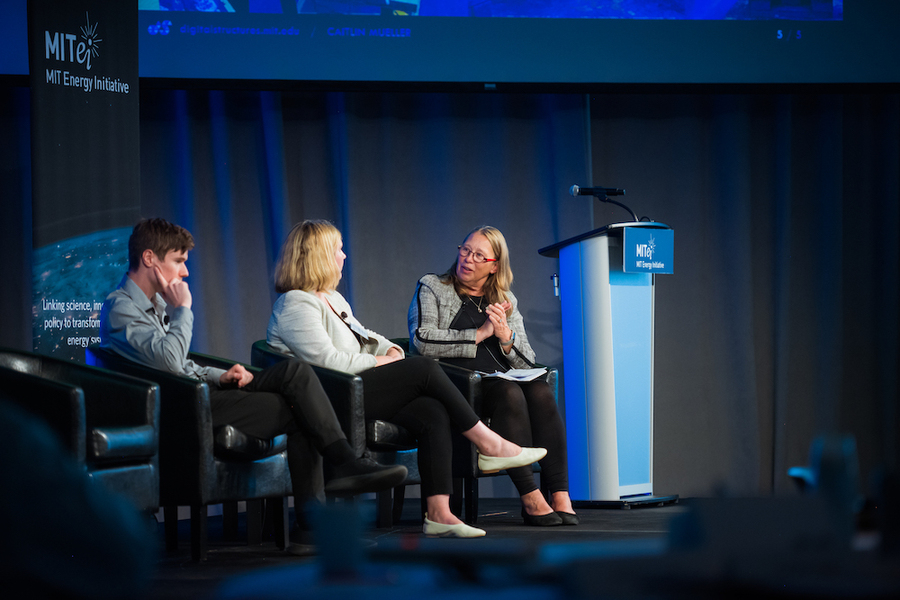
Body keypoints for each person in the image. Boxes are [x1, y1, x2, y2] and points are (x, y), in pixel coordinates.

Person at [99, 218, 407, 554]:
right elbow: (169, 364)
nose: (185, 273)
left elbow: (178, 365)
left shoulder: (151, 306)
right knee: (300, 406)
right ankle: (335, 481)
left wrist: (221, 376)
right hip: (185, 409)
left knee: (296, 375)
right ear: (149, 259)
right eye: (178, 261)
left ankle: (323, 506)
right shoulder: (120, 308)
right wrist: (183, 309)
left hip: (203, 394)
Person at [266, 220, 547, 538]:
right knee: (425, 368)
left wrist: (389, 349)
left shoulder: (331, 297)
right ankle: (489, 443)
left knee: (431, 410)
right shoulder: (295, 304)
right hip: (327, 399)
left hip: (352, 390)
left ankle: (439, 514)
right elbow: (329, 363)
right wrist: (380, 360)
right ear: (318, 256)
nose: (344, 256)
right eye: (338, 250)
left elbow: (367, 337)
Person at [408, 226, 578, 527]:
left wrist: (505, 336)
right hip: (458, 385)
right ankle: (531, 496)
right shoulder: (433, 286)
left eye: (478, 255)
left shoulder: (504, 299)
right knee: (507, 392)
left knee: (540, 392)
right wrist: (479, 334)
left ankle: (561, 495)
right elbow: (422, 341)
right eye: (465, 250)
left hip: (503, 378)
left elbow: (528, 360)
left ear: (494, 266)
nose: (467, 259)